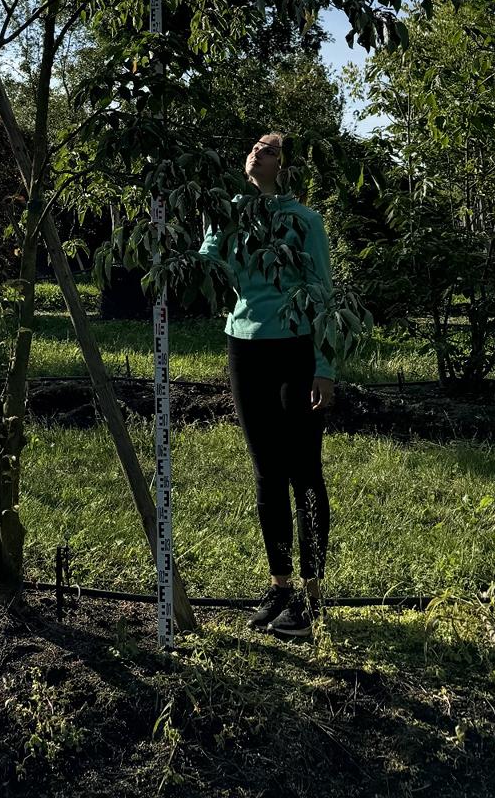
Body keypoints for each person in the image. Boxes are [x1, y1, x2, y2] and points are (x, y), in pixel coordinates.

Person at [197, 131, 335, 640]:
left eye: (271, 148)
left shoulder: (305, 222)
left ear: (287, 167)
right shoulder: (226, 214)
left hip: (297, 349)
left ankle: (313, 596)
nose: (258, 150)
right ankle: (281, 588)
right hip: (245, 349)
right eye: (255, 144)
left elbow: (323, 291)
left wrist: (325, 367)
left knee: (304, 472)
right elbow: (207, 271)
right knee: (266, 473)